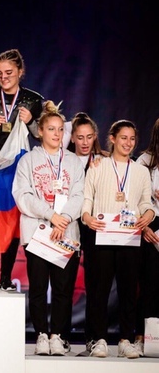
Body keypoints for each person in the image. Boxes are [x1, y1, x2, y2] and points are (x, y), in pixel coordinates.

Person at [12, 101, 85, 356]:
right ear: (40, 131)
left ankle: (58, 336)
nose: (56, 134)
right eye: (51, 129)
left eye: (60, 129)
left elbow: (79, 195)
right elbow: (22, 195)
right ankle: (41, 335)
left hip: (66, 232)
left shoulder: (73, 162)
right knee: (39, 287)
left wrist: (63, 218)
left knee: (63, 289)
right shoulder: (28, 160)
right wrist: (51, 215)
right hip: (37, 233)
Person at [81, 119, 155, 359]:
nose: (128, 143)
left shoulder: (140, 171)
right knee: (99, 290)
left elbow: (146, 202)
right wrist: (86, 217)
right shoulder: (98, 165)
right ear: (112, 139)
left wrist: (149, 214)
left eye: (132, 139)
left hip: (130, 238)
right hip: (101, 234)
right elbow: (88, 197)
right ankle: (99, 339)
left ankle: (125, 339)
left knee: (128, 290)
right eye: (123, 138)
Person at [0, 48, 44, 291]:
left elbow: (42, 136)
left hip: (17, 170)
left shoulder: (33, 100)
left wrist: (31, 122)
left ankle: (5, 277)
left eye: (9, 72)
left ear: (20, 72)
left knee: (12, 223)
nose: (3, 77)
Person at [67, 111, 107, 346]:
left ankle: (94, 337)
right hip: (69, 225)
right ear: (72, 137)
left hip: (94, 227)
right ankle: (61, 336)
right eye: (80, 137)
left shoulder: (104, 161)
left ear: (95, 137)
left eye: (89, 137)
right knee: (64, 283)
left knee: (96, 283)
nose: (84, 142)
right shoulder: (63, 160)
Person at [134, 117, 159, 356]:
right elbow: (134, 198)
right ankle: (143, 337)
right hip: (150, 226)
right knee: (149, 284)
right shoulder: (144, 161)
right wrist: (144, 227)